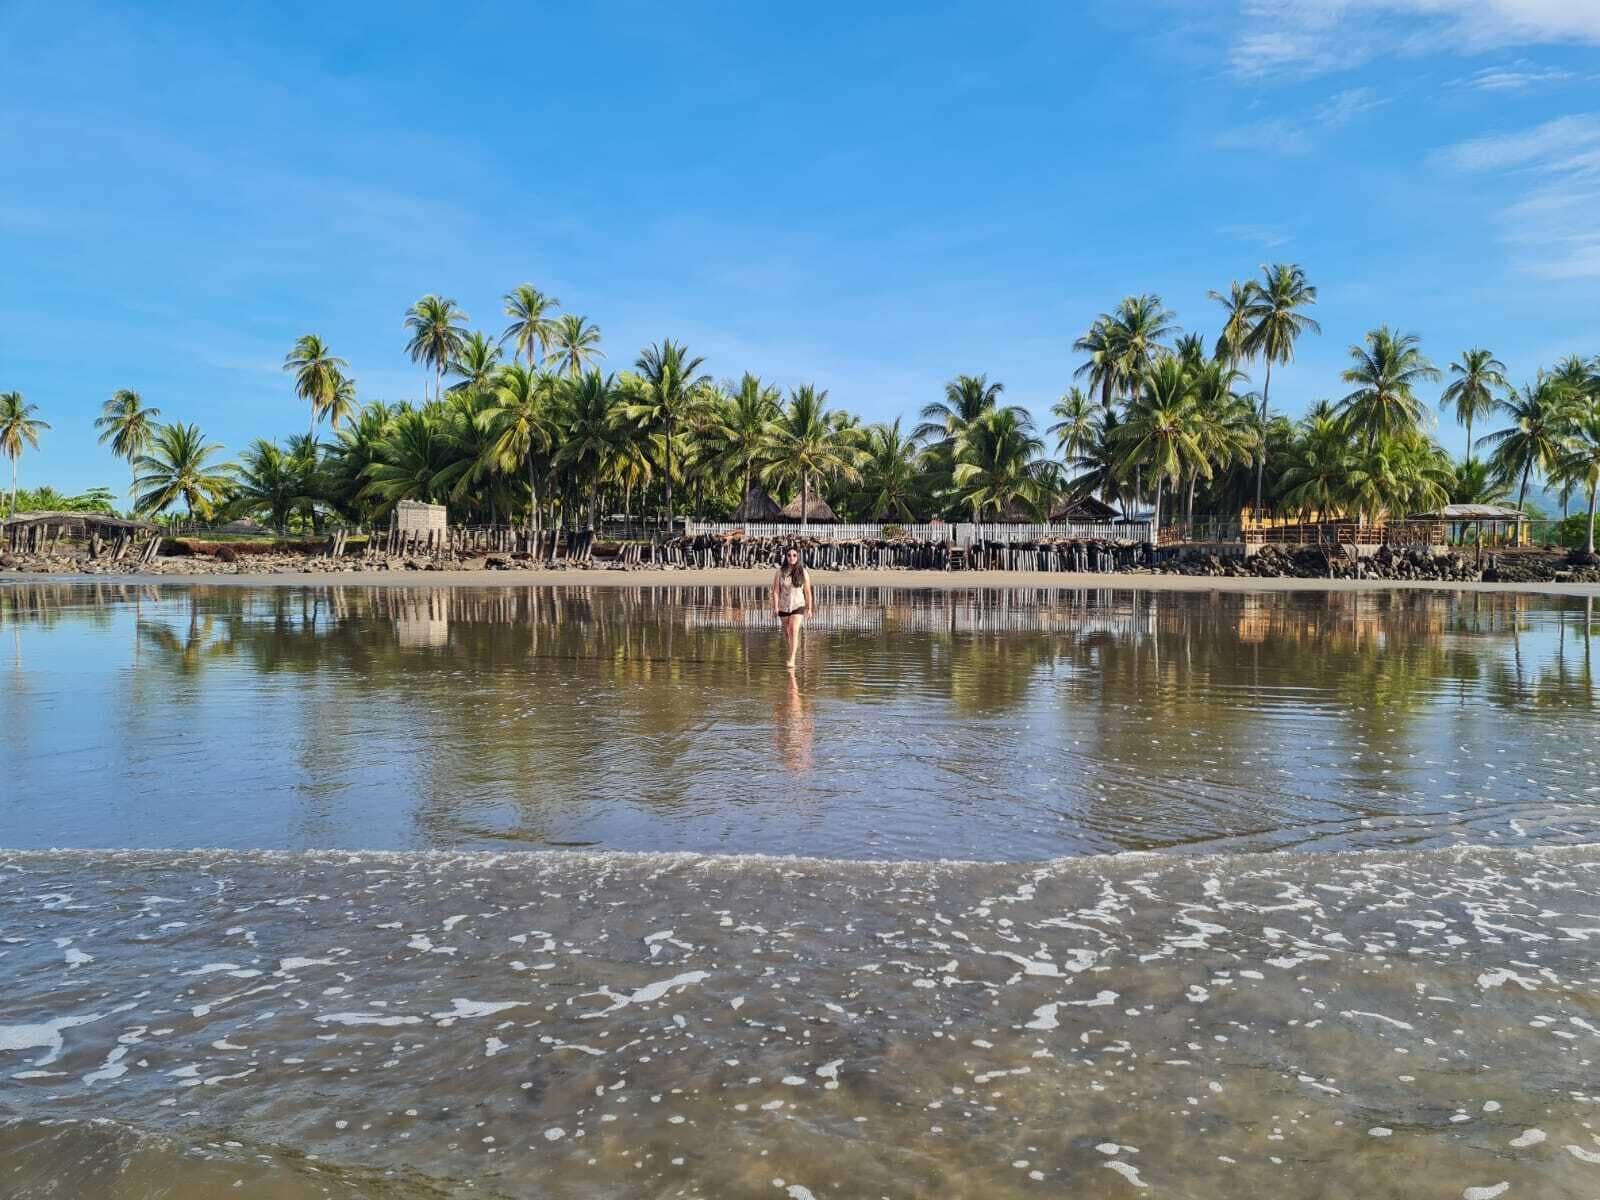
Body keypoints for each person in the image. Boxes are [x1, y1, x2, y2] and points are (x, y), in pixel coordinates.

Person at [771, 546, 813, 670]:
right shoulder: (780, 572)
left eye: (794, 555)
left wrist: (809, 608)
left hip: (798, 605)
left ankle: (792, 658)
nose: (792, 557)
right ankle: (791, 652)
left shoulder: (803, 572)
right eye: (789, 555)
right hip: (784, 606)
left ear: (798, 556)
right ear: (786, 557)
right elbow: (775, 591)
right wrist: (775, 607)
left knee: (794, 629)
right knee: (787, 633)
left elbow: (808, 592)